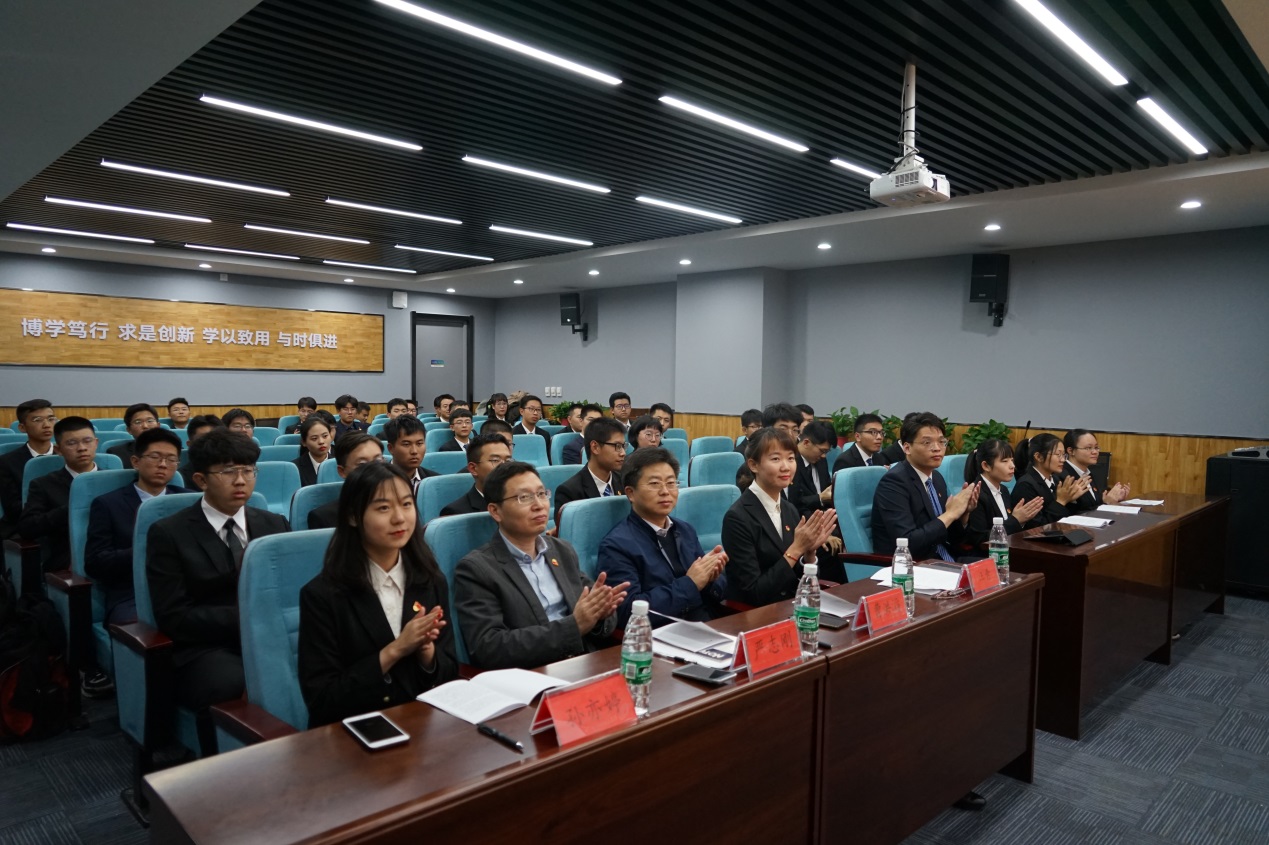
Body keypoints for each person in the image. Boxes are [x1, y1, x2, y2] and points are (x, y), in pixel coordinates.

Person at [146, 428, 289, 754]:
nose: (241, 480)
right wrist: (247, 622)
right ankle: (222, 772)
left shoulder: (274, 524)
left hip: (270, 637)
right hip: (206, 646)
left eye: (248, 471)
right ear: (201, 479)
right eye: (228, 472)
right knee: (229, 682)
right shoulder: (169, 533)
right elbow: (173, 615)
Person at [298, 461, 458, 727]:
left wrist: (427, 653)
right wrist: (396, 650)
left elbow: (449, 672)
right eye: (383, 508)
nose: (399, 518)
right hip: (355, 729)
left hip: (422, 722)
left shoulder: (430, 580)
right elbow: (323, 699)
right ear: (353, 516)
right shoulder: (322, 595)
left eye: (406, 504)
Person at [453, 462, 628, 670]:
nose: (539, 505)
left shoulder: (562, 550)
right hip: (531, 676)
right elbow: (489, 647)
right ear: (495, 511)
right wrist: (574, 626)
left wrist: (600, 614)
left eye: (542, 494)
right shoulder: (477, 569)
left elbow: (592, 613)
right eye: (524, 497)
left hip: (584, 664)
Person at [598, 447, 728, 627]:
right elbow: (627, 612)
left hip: (705, 626)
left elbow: (716, 592)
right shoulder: (617, 545)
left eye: (671, 483)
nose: (665, 491)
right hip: (657, 635)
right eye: (654, 484)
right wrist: (690, 584)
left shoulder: (685, 530)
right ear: (630, 493)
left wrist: (711, 580)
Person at [85, 427, 192, 628]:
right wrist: (146, 551)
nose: (163, 465)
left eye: (171, 459)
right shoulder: (108, 504)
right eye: (155, 457)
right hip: (132, 593)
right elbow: (95, 563)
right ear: (135, 461)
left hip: (186, 589)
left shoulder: (188, 500)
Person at [723, 428, 837, 607]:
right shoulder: (737, 517)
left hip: (792, 606)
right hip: (758, 613)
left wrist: (809, 553)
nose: (786, 467)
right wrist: (796, 549)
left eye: (791, 458)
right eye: (776, 459)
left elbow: (800, 579)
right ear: (753, 465)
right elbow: (754, 593)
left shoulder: (789, 509)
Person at [871, 412, 979, 561]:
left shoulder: (937, 478)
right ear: (907, 448)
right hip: (913, 565)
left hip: (944, 557)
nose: (937, 448)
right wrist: (950, 514)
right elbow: (907, 543)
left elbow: (949, 537)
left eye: (941, 441)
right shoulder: (894, 483)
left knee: (998, 567)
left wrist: (963, 514)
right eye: (927, 442)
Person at [19, 417, 100, 576]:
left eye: (87, 441)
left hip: (113, 556)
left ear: (96, 443)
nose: (82, 448)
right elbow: (27, 528)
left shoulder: (115, 481)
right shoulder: (43, 485)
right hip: (67, 561)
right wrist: (71, 509)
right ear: (58, 450)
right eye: (71, 443)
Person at [957, 438, 1044, 552]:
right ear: (986, 466)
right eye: (1004, 461)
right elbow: (980, 539)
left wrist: (1022, 520)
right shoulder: (976, 494)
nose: (1012, 465)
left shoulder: (1003, 490)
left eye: (1012, 460)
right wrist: (1016, 520)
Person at [0, 398, 56, 539]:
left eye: (51, 419)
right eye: (37, 420)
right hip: (24, 525)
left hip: (62, 522)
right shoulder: (7, 462)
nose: (46, 425)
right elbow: (13, 508)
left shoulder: (66, 456)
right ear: (22, 427)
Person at [554, 418, 628, 522]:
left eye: (624, 446)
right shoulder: (570, 492)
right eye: (617, 446)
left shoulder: (625, 481)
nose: (623, 453)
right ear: (595, 447)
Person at [1011, 433, 1089, 529]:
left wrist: (1071, 499)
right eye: (1058, 455)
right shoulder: (1026, 485)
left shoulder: (1056, 479)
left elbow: (1066, 516)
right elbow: (1037, 527)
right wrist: (1061, 501)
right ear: (1038, 457)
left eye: (1064, 455)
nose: (1063, 460)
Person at [307, 433, 385, 529]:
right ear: (342, 471)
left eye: (378, 461)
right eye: (362, 464)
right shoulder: (324, 518)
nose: (374, 469)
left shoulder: (399, 505)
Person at [440, 434, 512, 516]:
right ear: (473, 468)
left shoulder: (519, 501)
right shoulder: (456, 512)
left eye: (508, 460)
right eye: (495, 460)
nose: (505, 466)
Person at [1061, 429, 1130, 513]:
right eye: (1088, 448)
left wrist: (1114, 499)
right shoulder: (1063, 475)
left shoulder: (1091, 473)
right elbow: (1074, 512)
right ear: (1071, 451)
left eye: (1096, 447)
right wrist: (1106, 503)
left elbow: (1095, 504)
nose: (1095, 452)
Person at [385, 415, 437, 495]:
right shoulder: (375, 481)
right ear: (391, 448)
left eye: (419, 443)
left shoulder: (434, 481)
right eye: (406, 444)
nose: (414, 451)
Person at [178, 414, 224, 481]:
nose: (211, 443)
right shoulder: (180, 478)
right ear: (190, 444)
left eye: (216, 438)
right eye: (204, 439)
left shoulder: (235, 471)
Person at [293, 416, 333, 486]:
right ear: (304, 442)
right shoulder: (294, 468)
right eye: (314, 438)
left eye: (325, 436)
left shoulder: (340, 464)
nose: (321, 441)